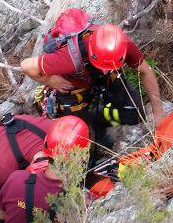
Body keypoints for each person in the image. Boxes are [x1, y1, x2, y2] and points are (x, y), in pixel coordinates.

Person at [20, 16, 163, 162]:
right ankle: (92, 133)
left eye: (109, 68)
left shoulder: (121, 44)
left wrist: (158, 112)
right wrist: (50, 80)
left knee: (134, 113)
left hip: (98, 78)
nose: (105, 72)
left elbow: (146, 70)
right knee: (82, 149)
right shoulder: (68, 58)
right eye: (103, 66)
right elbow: (26, 65)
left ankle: (98, 118)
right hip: (72, 88)